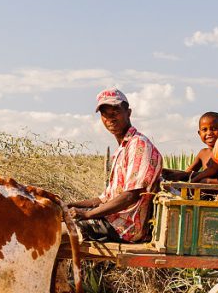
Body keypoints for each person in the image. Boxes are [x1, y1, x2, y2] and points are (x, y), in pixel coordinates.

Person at [69, 88, 162, 242]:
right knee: (58, 216)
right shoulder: (123, 148)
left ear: (128, 112)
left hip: (125, 228)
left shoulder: (139, 146)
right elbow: (104, 199)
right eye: (105, 114)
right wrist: (71, 204)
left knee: (56, 229)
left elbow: (130, 196)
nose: (110, 118)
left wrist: (86, 214)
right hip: (113, 220)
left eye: (115, 112)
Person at [162, 112, 218, 184]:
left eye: (214, 129)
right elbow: (188, 173)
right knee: (167, 173)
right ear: (199, 133)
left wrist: (188, 179)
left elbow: (212, 173)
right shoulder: (203, 153)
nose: (209, 133)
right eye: (204, 130)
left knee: (205, 181)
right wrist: (173, 174)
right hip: (205, 190)